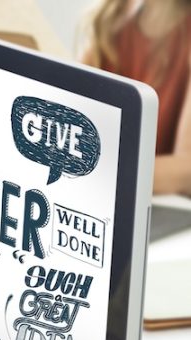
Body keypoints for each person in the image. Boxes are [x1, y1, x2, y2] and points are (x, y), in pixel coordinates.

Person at [84, 0, 191, 195]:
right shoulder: (111, 22)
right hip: (106, 194)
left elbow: (187, 169)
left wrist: (97, 173)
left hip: (151, 204)